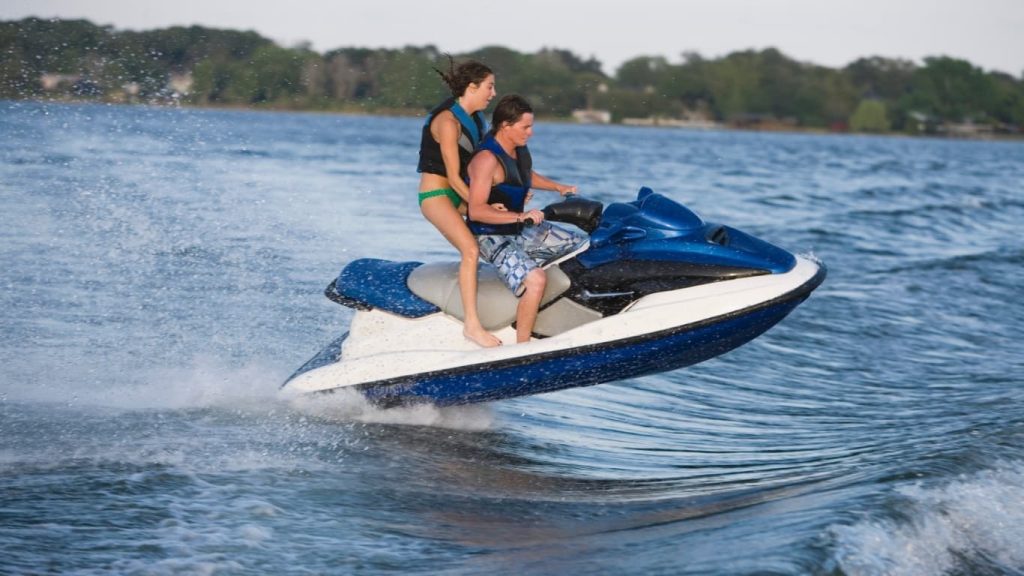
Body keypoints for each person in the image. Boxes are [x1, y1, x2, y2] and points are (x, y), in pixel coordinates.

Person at [466, 95, 588, 344]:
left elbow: (525, 175)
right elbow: (476, 210)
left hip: (520, 229)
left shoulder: (519, 151)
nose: (531, 133)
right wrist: (522, 215)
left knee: (583, 246)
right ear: (505, 126)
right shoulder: (486, 160)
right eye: (526, 127)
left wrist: (557, 186)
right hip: (491, 236)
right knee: (535, 280)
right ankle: (522, 347)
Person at [417, 57, 500, 347]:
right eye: (489, 87)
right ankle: (472, 327)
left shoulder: (477, 120)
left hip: (461, 194)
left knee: (503, 229)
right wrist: (479, 207)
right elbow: (453, 177)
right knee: (470, 250)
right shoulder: (448, 121)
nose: (493, 93)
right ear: (472, 87)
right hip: (437, 196)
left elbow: (486, 163)